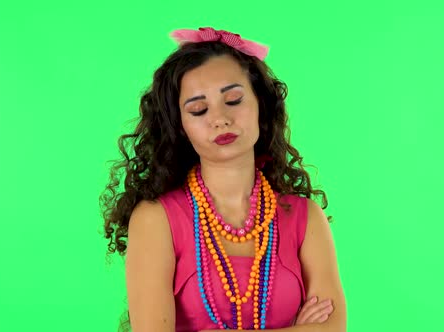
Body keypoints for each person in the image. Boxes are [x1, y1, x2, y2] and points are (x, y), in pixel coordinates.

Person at [99, 27, 346, 332]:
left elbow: (333, 327)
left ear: (261, 107)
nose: (220, 118)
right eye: (199, 109)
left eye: (233, 100)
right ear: (180, 127)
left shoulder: (306, 217)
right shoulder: (155, 218)